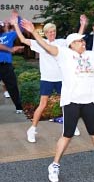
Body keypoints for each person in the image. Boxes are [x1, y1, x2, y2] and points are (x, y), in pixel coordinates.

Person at [21, 18, 94, 182]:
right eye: (79, 41)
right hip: (71, 102)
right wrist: (33, 32)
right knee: (67, 135)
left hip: (88, 101)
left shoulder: (90, 55)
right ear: (71, 44)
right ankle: (54, 165)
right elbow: (46, 46)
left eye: (83, 41)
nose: (83, 43)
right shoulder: (64, 54)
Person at [11, 15, 86, 143]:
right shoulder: (40, 43)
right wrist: (16, 25)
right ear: (45, 33)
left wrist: (83, 24)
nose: (52, 34)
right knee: (43, 104)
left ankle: (70, 127)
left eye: (54, 31)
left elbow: (77, 39)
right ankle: (32, 130)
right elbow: (23, 39)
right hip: (47, 79)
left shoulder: (61, 43)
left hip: (61, 79)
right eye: (50, 32)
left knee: (67, 103)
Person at [0, 16, 24, 113]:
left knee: (12, 87)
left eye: (3, 25)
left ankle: (19, 107)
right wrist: (11, 49)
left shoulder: (9, 35)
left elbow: (21, 30)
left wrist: (17, 18)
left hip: (6, 66)